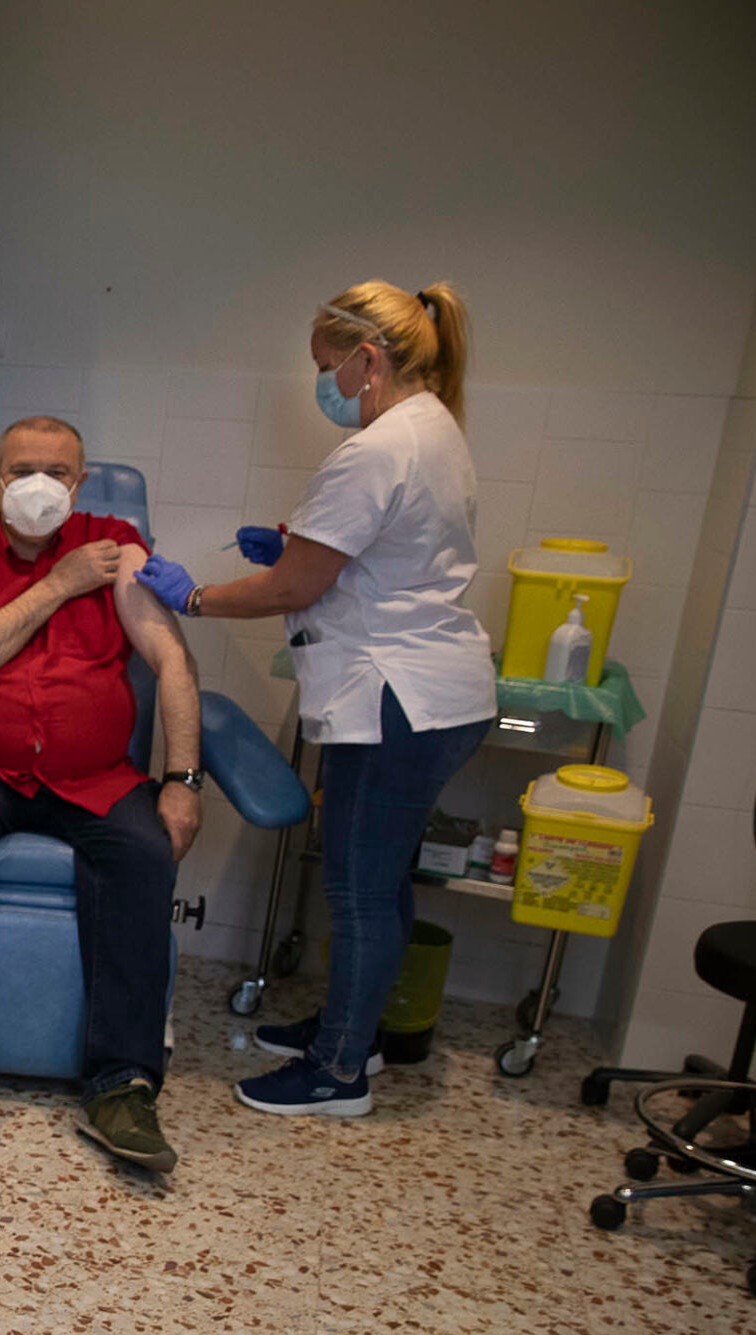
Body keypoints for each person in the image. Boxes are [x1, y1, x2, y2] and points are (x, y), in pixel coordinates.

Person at [133, 281, 495, 1118]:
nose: (322, 384)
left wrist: (196, 597)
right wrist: (297, 543)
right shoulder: (433, 427)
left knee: (359, 887)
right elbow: (367, 554)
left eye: (326, 367)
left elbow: (290, 588)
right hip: (436, 691)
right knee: (381, 880)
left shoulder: (377, 449)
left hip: (396, 698)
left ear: (368, 360)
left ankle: (338, 1073)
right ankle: (350, 1032)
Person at [0, 415, 202, 1173]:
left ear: (80, 482)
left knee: (141, 852)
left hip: (93, 775)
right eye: (23, 469)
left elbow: (172, 661)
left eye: (57, 472)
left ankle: (122, 1084)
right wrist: (59, 586)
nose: (40, 485)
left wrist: (184, 780)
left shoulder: (118, 547)